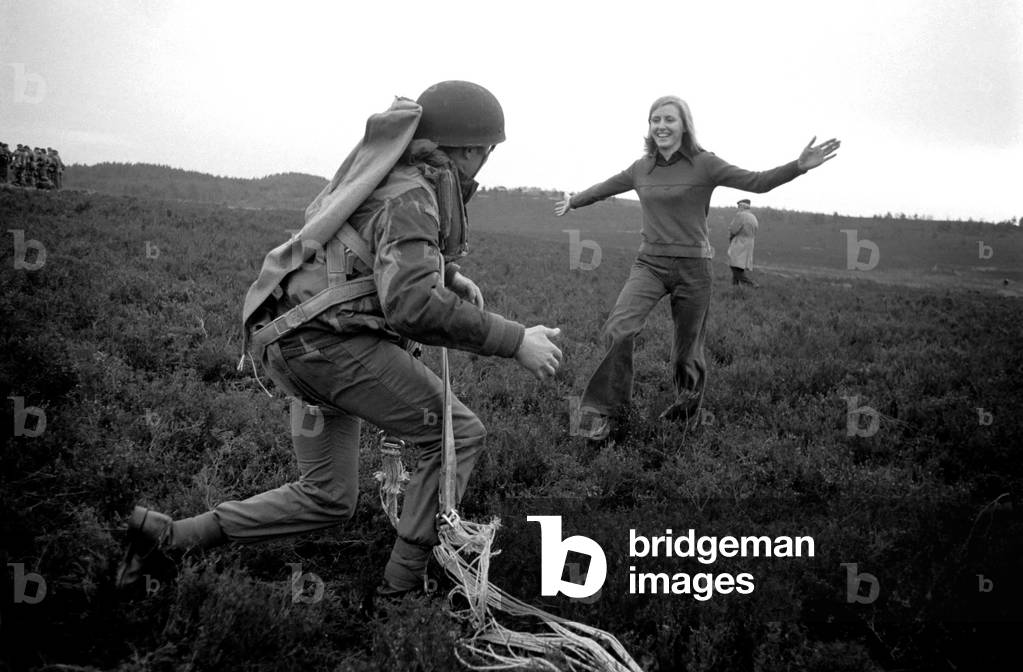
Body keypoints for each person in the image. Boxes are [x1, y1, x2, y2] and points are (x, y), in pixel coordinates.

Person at [115, 81, 563, 607]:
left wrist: (448, 271)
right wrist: (515, 341)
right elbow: (414, 307)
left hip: (292, 343)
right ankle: (402, 592)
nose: (487, 160)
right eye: (487, 149)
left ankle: (174, 537)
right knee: (456, 435)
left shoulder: (387, 179)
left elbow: (373, 252)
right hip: (330, 346)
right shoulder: (414, 194)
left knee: (328, 496)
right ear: (467, 149)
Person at [555, 95, 839, 440]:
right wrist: (574, 201)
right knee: (619, 329)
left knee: (686, 355)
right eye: (654, 119)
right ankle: (604, 412)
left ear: (684, 125)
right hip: (650, 263)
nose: (661, 125)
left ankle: (684, 418)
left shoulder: (705, 164)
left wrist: (798, 166)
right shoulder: (640, 168)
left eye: (669, 119)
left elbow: (758, 181)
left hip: (694, 267)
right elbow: (605, 188)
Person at [727, 199, 759, 287]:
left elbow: (733, 229)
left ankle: (752, 284)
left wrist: (730, 238)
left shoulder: (740, 215)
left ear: (742, 206)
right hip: (750, 243)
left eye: (738, 206)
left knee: (734, 266)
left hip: (739, 242)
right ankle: (735, 287)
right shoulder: (753, 217)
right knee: (739, 266)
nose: (738, 208)